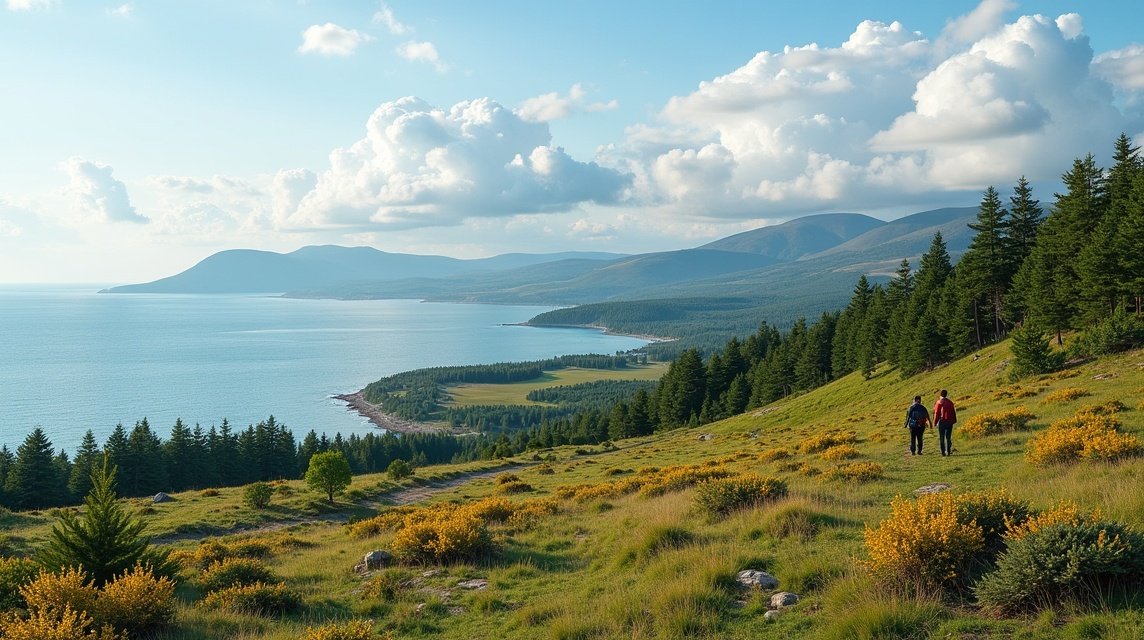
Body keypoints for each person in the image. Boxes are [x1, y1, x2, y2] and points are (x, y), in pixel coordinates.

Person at [934, 389, 957, 456]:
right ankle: (949, 451)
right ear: (946, 395)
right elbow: (953, 412)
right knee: (948, 437)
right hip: (949, 422)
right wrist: (953, 421)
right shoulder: (950, 402)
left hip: (942, 421)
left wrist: (935, 422)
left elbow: (937, 413)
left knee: (942, 437)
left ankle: (943, 452)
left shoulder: (939, 402)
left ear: (940, 395)